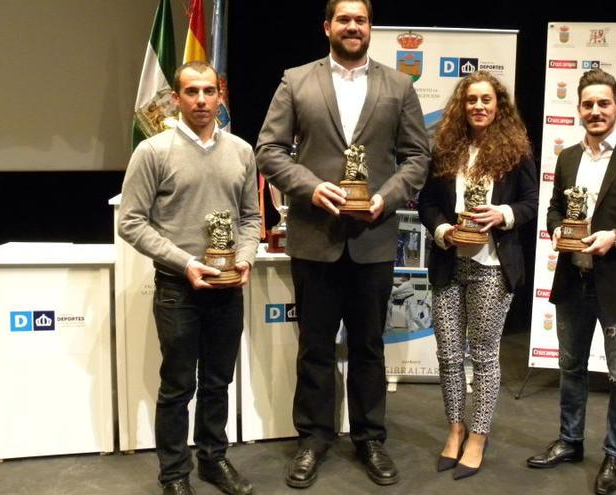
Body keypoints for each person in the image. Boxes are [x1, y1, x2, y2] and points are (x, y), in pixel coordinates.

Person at [255, 0, 430, 488]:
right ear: (327, 26)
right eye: (345, 19)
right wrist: (310, 186)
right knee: (314, 347)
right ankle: (313, 439)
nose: (353, 27)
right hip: (316, 239)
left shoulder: (399, 85)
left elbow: (418, 156)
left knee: (370, 346)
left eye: (362, 20)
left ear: (371, 28)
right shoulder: (296, 81)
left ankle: (370, 438)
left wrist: (386, 196)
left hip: (373, 239)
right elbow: (268, 150)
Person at [526, 68, 616, 495]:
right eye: (588, 104)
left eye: (603, 103)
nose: (595, 111)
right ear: (578, 109)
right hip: (574, 281)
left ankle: (615, 455)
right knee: (570, 369)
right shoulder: (568, 157)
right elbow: (555, 209)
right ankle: (571, 442)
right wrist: (556, 230)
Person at [119, 60, 259, 495]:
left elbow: (252, 218)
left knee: (219, 382)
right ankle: (174, 474)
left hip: (228, 287)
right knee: (178, 385)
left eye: (209, 91)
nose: (201, 100)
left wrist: (247, 258)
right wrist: (184, 263)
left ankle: (213, 460)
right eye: (191, 92)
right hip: (178, 288)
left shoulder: (241, 151)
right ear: (176, 98)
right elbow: (132, 222)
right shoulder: (153, 152)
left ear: (221, 96)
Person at [418, 71, 538, 480]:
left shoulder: (516, 151)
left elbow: (531, 203)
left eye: (486, 99)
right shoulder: (446, 149)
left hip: (492, 266)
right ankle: (455, 429)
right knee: (449, 355)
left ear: (498, 105)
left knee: (484, 357)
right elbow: (427, 204)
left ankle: (479, 435)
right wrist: (442, 231)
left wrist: (502, 215)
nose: (479, 106)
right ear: (461, 105)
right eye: (471, 100)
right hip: (450, 261)